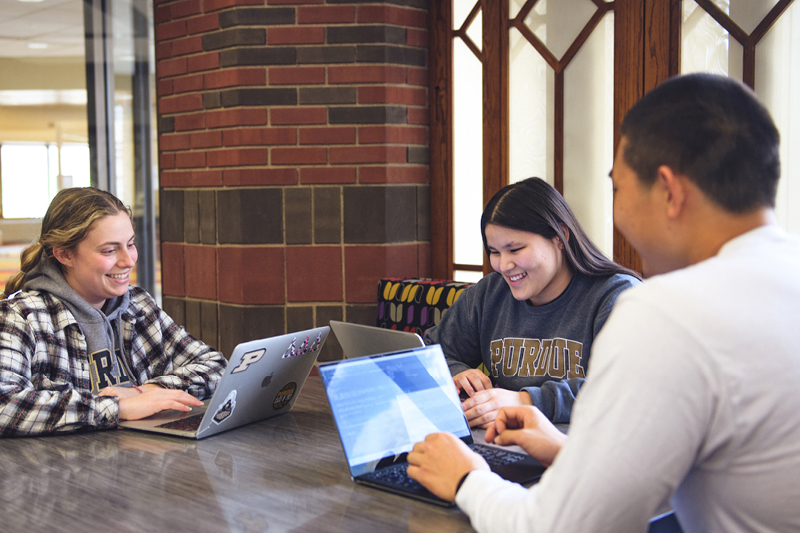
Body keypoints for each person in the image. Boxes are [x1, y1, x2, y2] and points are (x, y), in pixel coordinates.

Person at [407, 73, 800, 532]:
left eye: (617, 188)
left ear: (670, 192)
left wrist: (465, 477)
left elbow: (557, 527)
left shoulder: (664, 312)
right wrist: (567, 451)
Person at [0, 187, 226, 437]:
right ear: (65, 254)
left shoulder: (139, 304)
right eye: (109, 250)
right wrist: (118, 407)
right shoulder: (21, 318)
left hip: (139, 459)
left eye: (130, 244)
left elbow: (215, 366)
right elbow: (4, 405)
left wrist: (146, 391)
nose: (128, 260)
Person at [424, 177, 639, 427]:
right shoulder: (489, 295)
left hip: (581, 448)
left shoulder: (615, 296)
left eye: (515, 250)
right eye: (494, 252)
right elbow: (429, 352)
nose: (503, 265)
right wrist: (456, 372)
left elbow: (621, 387)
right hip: (500, 442)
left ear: (560, 237)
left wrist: (524, 402)